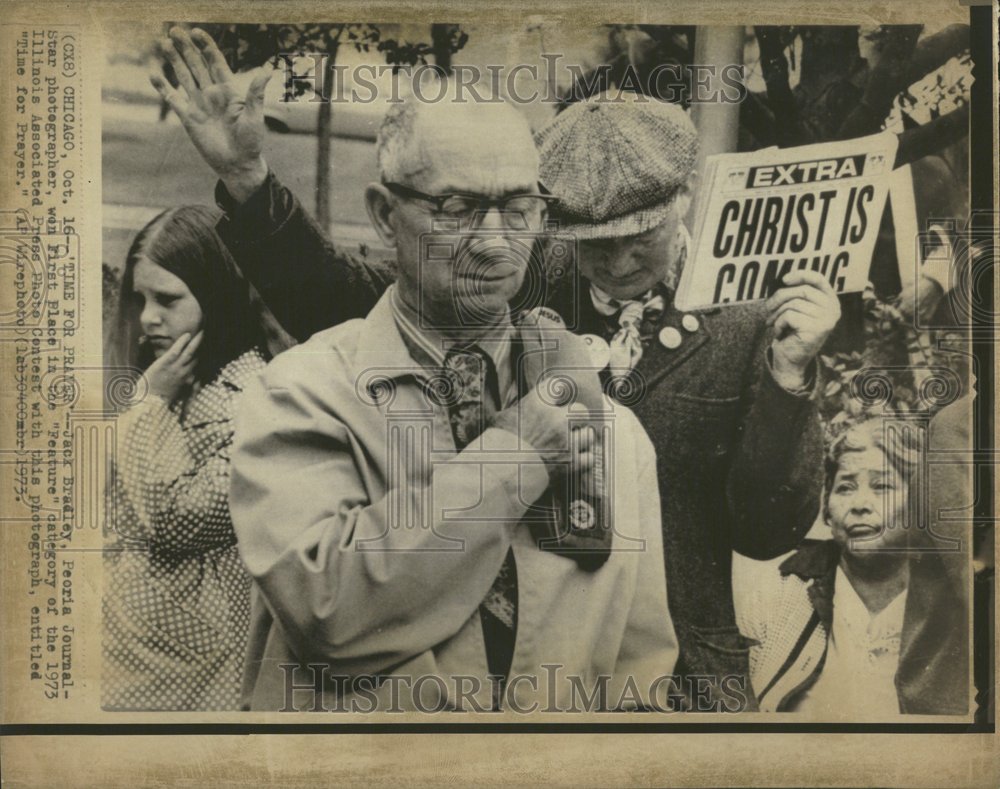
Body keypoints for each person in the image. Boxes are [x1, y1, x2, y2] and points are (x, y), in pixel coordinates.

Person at [152, 27, 839, 710]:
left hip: (669, 686)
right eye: (459, 209)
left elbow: (755, 535)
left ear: (681, 202)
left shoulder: (750, 318)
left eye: (518, 209)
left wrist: (790, 377)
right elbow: (343, 297)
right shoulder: (524, 274)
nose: (619, 260)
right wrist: (249, 181)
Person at [228, 92, 678, 712]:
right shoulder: (304, 394)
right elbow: (326, 609)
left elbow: (639, 674)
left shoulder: (612, 433)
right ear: (386, 216)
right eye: (459, 208)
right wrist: (517, 455)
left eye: (520, 207)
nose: (496, 243)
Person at [102, 205, 285, 710]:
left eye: (168, 299)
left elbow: (182, 521)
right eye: (140, 299)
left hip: (193, 650)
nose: (148, 318)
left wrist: (146, 406)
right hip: (135, 632)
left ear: (218, 294)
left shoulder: (254, 395)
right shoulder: (169, 375)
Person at [736, 417, 969, 717]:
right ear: (827, 508)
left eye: (882, 485)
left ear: (923, 502)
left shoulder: (958, 604)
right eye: (845, 487)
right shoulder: (776, 600)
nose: (859, 504)